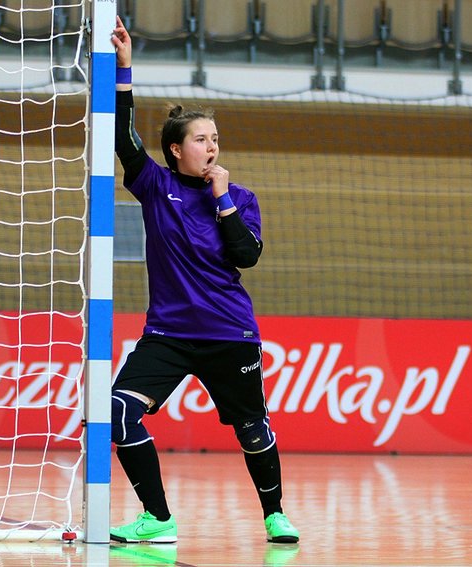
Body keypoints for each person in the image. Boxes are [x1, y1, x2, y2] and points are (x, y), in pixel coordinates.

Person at [108, 17, 299, 545]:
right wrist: (125, 69)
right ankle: (157, 520)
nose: (211, 147)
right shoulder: (154, 185)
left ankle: (275, 516)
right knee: (118, 413)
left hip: (228, 332)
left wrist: (222, 199)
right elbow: (124, 138)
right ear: (176, 149)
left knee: (251, 428)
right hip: (168, 334)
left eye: (215, 139)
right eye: (200, 139)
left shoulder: (240, 198)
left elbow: (247, 255)